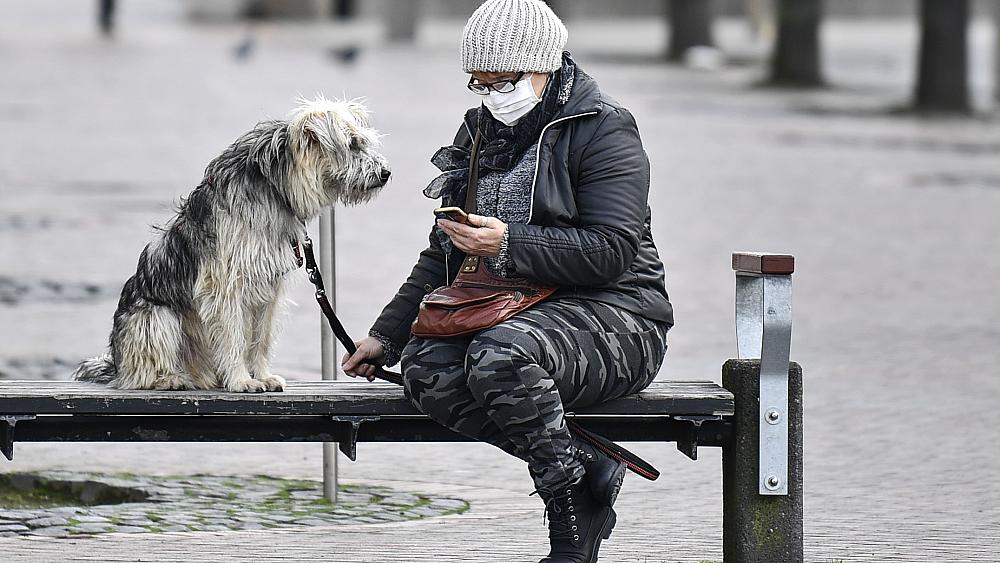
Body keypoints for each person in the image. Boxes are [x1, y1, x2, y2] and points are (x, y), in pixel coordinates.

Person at [342, 1, 673, 561]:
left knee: (500, 357)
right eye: (480, 82)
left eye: (504, 80)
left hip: (617, 316)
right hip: (512, 311)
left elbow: (614, 251)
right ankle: (581, 466)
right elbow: (444, 250)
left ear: (544, 66)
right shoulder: (480, 132)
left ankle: (570, 520)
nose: (492, 94)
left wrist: (510, 245)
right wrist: (388, 334)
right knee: (427, 369)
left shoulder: (603, 130)